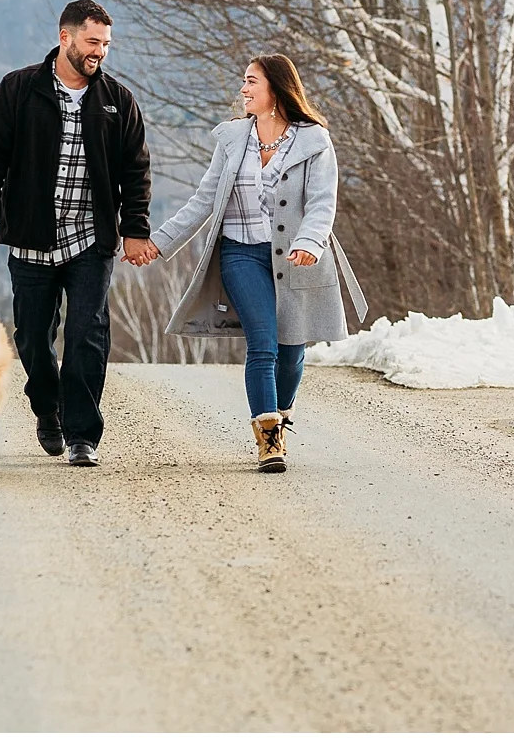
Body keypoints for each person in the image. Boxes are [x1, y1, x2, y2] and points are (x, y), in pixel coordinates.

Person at [141, 54, 367, 472]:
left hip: (297, 257)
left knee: (290, 348)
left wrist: (310, 241)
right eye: (244, 82)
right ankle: (269, 440)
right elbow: (204, 200)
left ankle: (280, 410)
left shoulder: (314, 140)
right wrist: (158, 242)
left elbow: (321, 202)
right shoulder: (232, 140)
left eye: (251, 82)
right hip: (241, 254)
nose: (243, 89)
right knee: (262, 343)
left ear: (276, 90)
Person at [0, 0, 154, 467]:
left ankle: (82, 435)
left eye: (106, 45)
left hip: (91, 239)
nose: (100, 53)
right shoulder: (19, 90)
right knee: (32, 336)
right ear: (65, 37)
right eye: (92, 42)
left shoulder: (117, 100)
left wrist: (134, 230)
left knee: (87, 333)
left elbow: (136, 171)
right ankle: (46, 408)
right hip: (32, 235)